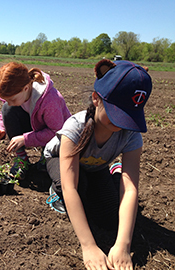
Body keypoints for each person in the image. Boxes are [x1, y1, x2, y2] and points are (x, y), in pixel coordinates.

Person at [44, 59, 152, 269]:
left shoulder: (131, 135)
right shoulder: (75, 127)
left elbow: (130, 189)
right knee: (78, 188)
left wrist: (123, 244)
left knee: (111, 220)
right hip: (60, 161)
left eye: (129, 117)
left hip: (97, 167)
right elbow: (70, 187)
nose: (122, 124)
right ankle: (52, 188)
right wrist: (89, 246)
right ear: (96, 98)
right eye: (117, 114)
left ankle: (112, 175)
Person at [0, 62, 71, 180]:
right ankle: (22, 159)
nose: (9, 102)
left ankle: (48, 155)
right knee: (7, 109)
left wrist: (26, 139)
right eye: (5, 99)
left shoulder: (49, 100)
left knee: (49, 168)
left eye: (11, 99)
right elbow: (4, 114)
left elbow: (56, 131)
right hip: (36, 126)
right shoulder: (18, 95)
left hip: (60, 136)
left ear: (26, 88)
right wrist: (0, 128)